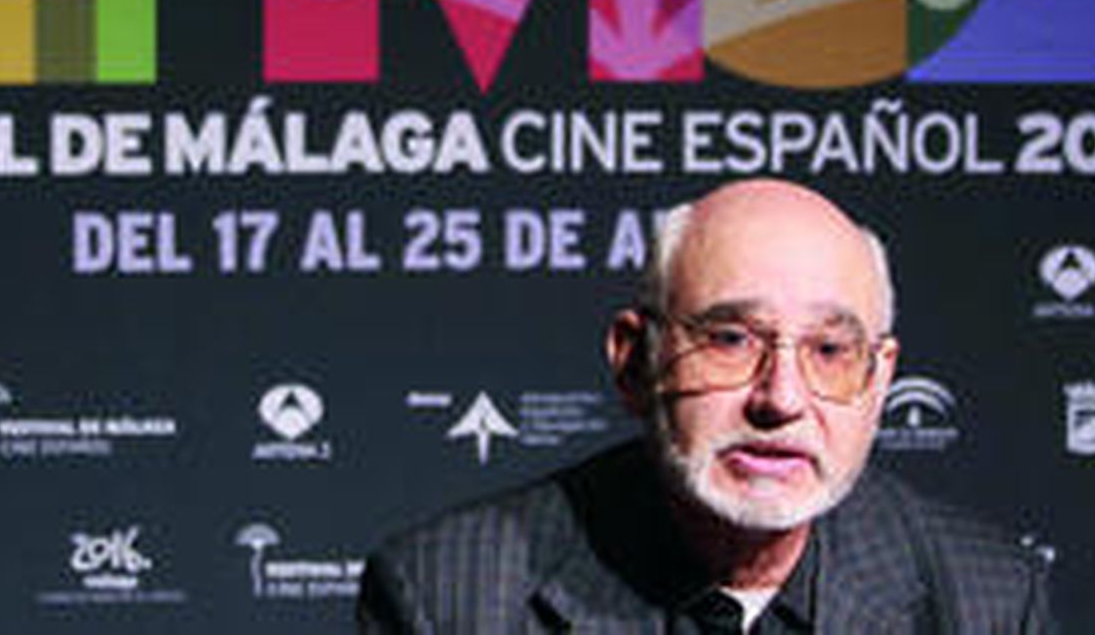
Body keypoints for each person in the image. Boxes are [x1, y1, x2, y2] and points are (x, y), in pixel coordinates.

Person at [357, 179, 1055, 633]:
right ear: (635, 360)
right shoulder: (452, 596)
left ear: (878, 382)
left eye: (829, 351)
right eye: (729, 340)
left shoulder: (986, 601)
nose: (781, 399)